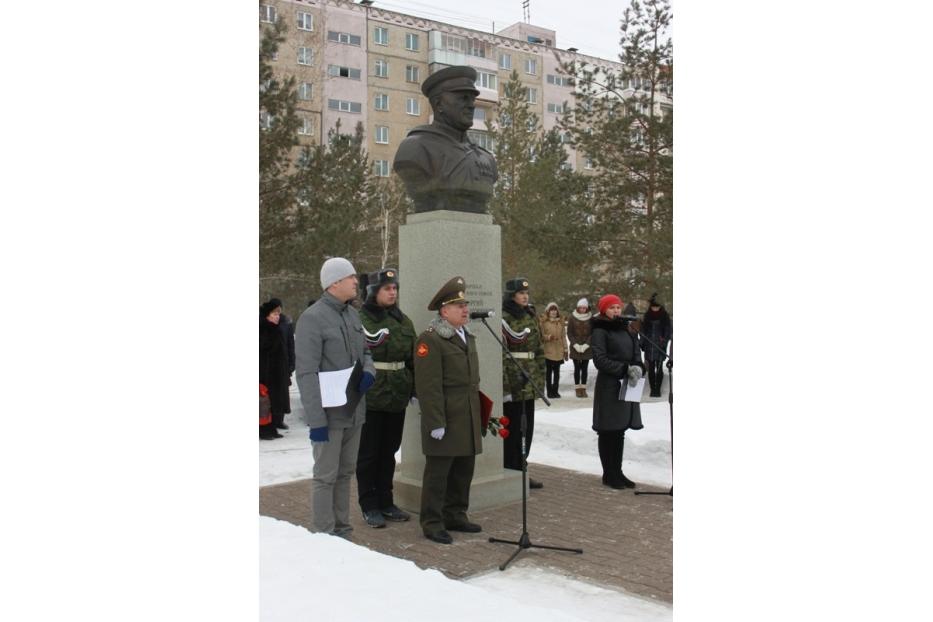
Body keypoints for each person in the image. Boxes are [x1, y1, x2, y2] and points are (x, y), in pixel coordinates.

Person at [295, 257, 377, 537]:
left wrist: (369, 371)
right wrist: (316, 421)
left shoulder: (353, 315)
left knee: (345, 473)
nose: (357, 282)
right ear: (334, 283)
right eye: (351, 277)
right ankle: (322, 533)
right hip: (329, 415)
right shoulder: (312, 319)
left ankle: (342, 529)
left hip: (354, 409)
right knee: (326, 476)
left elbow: (366, 352)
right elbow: (305, 373)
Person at [413, 276, 484, 544]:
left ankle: (455, 514)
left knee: (463, 469)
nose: (465, 309)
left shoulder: (468, 337)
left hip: (466, 414)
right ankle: (432, 521)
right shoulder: (430, 340)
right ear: (444, 311)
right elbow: (428, 386)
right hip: (445, 416)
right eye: (459, 305)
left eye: (465, 304)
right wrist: (435, 422)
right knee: (438, 474)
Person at [356, 268, 416, 528]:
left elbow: (413, 358)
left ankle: (386, 501)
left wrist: (414, 390)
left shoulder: (404, 321)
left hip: (397, 395)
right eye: (387, 289)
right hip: (370, 395)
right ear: (372, 292)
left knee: (389, 451)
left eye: (394, 288)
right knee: (368, 453)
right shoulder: (360, 320)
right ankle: (369, 505)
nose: (393, 292)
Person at [393, 65, 498, 214]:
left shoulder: (487, 159)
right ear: (438, 104)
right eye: (463, 98)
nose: (471, 106)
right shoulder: (415, 148)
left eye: (472, 99)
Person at [591, 294, 646, 490]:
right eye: (612, 307)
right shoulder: (600, 330)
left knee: (620, 429)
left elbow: (637, 354)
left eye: (618, 307)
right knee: (608, 430)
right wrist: (624, 369)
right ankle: (609, 473)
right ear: (604, 310)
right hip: (609, 386)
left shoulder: (628, 329)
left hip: (627, 385)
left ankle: (618, 471)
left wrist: (639, 367)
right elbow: (599, 359)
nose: (616, 310)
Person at [500, 277, 546, 489]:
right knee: (515, 428)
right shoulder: (504, 317)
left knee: (528, 428)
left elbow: (538, 349)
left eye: (526, 293)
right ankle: (512, 469)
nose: (525, 296)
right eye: (520, 293)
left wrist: (540, 379)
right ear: (511, 295)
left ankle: (522, 466)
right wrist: (506, 388)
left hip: (530, 378)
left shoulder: (530, 315)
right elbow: (501, 354)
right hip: (514, 377)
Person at [259, 300, 290, 440]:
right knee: (265, 403)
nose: (277, 316)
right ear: (267, 315)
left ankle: (272, 429)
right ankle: (264, 430)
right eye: (274, 313)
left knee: (275, 402)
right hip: (265, 373)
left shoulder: (277, 328)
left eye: (278, 313)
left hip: (278, 373)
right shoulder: (263, 328)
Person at [267, 297, 295, 430]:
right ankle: (270, 420)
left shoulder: (286, 323)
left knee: (283, 393)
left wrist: (291, 363)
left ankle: (279, 419)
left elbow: (290, 344)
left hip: (283, 363)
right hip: (269, 364)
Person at [641, 293, 672, 398]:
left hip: (660, 347)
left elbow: (668, 332)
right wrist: (643, 343)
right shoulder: (647, 316)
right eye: (653, 307)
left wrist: (663, 343)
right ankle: (652, 389)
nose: (655, 309)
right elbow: (643, 331)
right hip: (649, 346)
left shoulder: (665, 317)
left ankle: (657, 389)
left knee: (659, 369)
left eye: (657, 307)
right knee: (650, 369)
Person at [539, 302, 568, 399]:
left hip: (558, 351)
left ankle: (556, 391)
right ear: (548, 311)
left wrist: (565, 349)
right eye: (552, 310)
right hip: (548, 350)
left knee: (557, 373)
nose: (554, 312)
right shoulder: (544, 322)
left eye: (555, 310)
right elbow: (541, 336)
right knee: (548, 373)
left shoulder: (561, 322)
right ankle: (549, 391)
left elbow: (563, 336)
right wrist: (548, 337)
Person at [567, 298, 593, 398]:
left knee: (585, 369)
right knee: (577, 369)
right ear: (578, 308)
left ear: (587, 308)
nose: (582, 309)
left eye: (584, 308)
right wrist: (575, 344)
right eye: (581, 307)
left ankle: (584, 389)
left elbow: (592, 333)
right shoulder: (572, 317)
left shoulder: (591, 318)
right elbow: (569, 333)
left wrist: (587, 344)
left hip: (587, 348)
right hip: (575, 348)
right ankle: (578, 389)